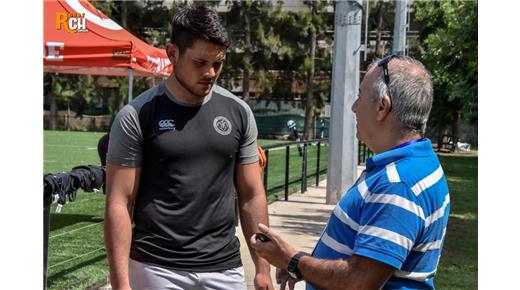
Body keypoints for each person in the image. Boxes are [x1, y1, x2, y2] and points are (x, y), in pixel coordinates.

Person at [104, 5, 273, 290]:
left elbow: (251, 195)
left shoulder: (239, 113)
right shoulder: (137, 115)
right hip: (156, 268)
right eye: (200, 62)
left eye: (218, 63)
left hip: (225, 268)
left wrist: (263, 268)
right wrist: (121, 284)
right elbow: (119, 202)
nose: (210, 72)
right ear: (172, 53)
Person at [251, 55, 450, 290]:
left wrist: (293, 260)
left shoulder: (398, 184)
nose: (354, 107)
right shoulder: (416, 163)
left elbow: (358, 283)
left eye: (360, 97)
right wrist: (305, 266)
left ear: (382, 107)